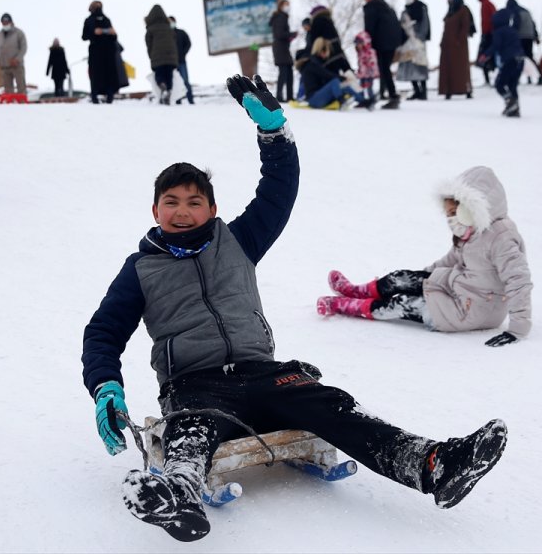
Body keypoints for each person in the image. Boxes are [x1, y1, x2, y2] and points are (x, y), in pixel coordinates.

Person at [83, 76, 509, 542]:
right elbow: (104, 331)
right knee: (191, 426)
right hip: (195, 382)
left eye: (194, 201)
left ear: (212, 208)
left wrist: (274, 133)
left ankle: (432, 464)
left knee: (331, 405)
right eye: (172, 202)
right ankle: (179, 492)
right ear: (155, 210)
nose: (183, 211)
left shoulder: (239, 241)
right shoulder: (141, 268)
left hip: (263, 373)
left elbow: (278, 189)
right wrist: (106, 387)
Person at [318, 166, 531, 348]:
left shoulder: (502, 238)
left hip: (474, 311)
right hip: (457, 291)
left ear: (471, 210)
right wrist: (415, 279)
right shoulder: (471, 231)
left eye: (453, 214)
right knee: (399, 278)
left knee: (401, 304)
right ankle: (356, 292)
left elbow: (518, 281)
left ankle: (345, 306)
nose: (450, 221)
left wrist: (517, 329)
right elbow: (451, 260)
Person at [363, 0, 403, 109]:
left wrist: (368, 43)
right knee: (385, 69)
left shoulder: (371, 7)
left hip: (381, 43)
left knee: (384, 69)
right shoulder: (388, 7)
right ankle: (387, 94)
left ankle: (392, 95)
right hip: (393, 43)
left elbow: (369, 27)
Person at [479, 8, 525, 117]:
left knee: (499, 84)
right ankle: (514, 108)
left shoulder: (499, 32)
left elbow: (496, 45)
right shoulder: (512, 30)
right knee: (512, 84)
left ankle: (510, 102)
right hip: (520, 60)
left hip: (510, 60)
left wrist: (485, 55)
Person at [298, 37, 363, 109]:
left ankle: (363, 102)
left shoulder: (317, 62)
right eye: (326, 51)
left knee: (346, 88)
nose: (327, 54)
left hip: (319, 95)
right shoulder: (312, 64)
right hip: (314, 99)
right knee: (334, 81)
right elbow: (326, 74)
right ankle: (341, 101)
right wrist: (341, 78)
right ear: (321, 50)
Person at [438, 0, 475, 99]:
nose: (448, 1)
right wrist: (442, 42)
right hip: (447, 45)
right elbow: (446, 28)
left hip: (459, 46)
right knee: (448, 68)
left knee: (460, 68)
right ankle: (448, 90)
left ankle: (465, 89)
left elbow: (465, 26)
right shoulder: (450, 11)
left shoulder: (463, 10)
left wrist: (459, 40)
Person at [82, 0, 119, 104]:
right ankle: (94, 96)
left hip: (108, 51)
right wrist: (93, 32)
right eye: (96, 6)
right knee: (95, 74)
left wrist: (113, 33)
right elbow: (84, 36)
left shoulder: (107, 19)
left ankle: (110, 96)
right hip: (95, 51)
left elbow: (114, 37)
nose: (98, 8)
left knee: (109, 73)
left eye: (100, 6)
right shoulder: (89, 20)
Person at [144, 4, 178, 105]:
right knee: (169, 76)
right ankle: (168, 91)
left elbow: (148, 44)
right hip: (171, 56)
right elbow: (174, 41)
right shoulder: (169, 27)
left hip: (157, 57)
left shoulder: (150, 29)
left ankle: (162, 86)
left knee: (159, 75)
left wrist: (151, 56)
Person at [505, 0, 542, 85]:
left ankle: (518, 78)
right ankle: (539, 76)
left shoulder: (516, 12)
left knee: (519, 58)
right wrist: (536, 36)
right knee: (529, 57)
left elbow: (516, 25)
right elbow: (533, 24)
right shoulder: (527, 11)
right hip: (529, 37)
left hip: (521, 37)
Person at [401, 0, 430, 100]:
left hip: (418, 41)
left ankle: (423, 91)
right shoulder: (405, 11)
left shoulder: (421, 8)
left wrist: (420, 37)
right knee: (409, 66)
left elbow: (425, 24)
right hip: (408, 42)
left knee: (420, 65)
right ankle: (416, 90)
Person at [307, 5, 352, 74]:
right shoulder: (329, 20)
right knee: (346, 72)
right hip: (337, 50)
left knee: (332, 75)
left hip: (326, 52)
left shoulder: (317, 21)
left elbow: (314, 39)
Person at [269, 0, 297, 102]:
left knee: (288, 71)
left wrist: (290, 37)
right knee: (284, 72)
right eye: (286, 4)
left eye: (289, 4)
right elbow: (279, 34)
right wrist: (292, 34)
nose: (288, 7)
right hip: (280, 49)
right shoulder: (281, 17)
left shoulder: (282, 17)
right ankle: (280, 96)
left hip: (282, 48)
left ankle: (289, 96)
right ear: (280, 6)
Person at [0, 13, 27, 95]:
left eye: (7, 22)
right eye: (3, 23)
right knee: (8, 90)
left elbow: (24, 48)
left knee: (21, 87)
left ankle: (23, 105)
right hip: (4, 66)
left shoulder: (19, 33)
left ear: (11, 22)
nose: (5, 24)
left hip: (17, 66)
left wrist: (17, 59)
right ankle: (10, 106)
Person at [168, 16, 194, 105]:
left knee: (185, 81)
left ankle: (190, 100)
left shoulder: (181, 32)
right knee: (175, 82)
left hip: (182, 61)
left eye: (172, 21)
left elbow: (188, 43)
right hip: (172, 63)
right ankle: (178, 100)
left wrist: (183, 53)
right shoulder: (166, 35)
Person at [476, 0, 497, 87]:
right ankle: (488, 79)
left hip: (488, 34)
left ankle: (487, 79)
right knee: (488, 57)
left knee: (484, 56)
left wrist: (486, 33)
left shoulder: (485, 5)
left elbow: (488, 21)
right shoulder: (489, 4)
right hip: (490, 33)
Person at [352, 31, 378, 107]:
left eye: (359, 43)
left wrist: (370, 72)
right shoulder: (360, 53)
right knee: (360, 87)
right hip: (362, 75)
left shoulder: (370, 52)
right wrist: (359, 72)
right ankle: (362, 101)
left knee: (369, 88)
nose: (358, 45)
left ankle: (372, 100)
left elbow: (372, 64)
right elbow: (361, 64)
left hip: (369, 74)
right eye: (357, 43)